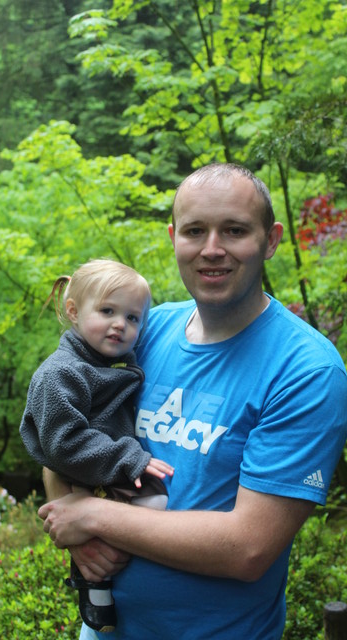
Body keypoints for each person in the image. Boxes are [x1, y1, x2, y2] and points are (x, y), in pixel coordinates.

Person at [37, 164, 347, 640]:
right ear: (174, 237)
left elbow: (249, 548)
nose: (212, 249)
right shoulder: (144, 330)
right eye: (195, 231)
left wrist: (95, 516)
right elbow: (59, 432)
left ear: (271, 240)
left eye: (235, 230)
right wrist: (76, 527)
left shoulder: (306, 370)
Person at [19, 259, 173, 633]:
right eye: (107, 311)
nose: (121, 324)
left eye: (134, 318)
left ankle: (98, 584)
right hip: (92, 465)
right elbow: (62, 443)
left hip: (99, 466)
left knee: (148, 505)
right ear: (74, 311)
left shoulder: (110, 361)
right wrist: (129, 457)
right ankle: (95, 583)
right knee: (154, 501)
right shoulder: (61, 372)